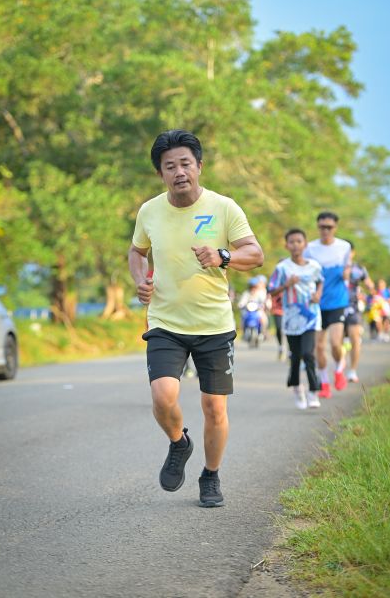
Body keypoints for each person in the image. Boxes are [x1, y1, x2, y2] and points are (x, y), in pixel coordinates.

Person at [128, 129, 264, 507]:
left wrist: (222, 256)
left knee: (214, 408)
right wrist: (140, 280)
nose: (179, 172)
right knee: (162, 396)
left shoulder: (224, 207)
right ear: (160, 173)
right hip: (165, 322)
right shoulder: (149, 211)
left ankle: (211, 475)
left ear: (199, 166)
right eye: (170, 166)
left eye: (185, 164)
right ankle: (179, 443)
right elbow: (137, 252)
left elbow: (255, 254)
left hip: (214, 325)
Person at [268, 228, 323, 409]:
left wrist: (318, 295)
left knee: (308, 353)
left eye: (299, 241)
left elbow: (320, 281)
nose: (295, 245)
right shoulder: (282, 268)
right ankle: (297, 388)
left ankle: (314, 390)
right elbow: (271, 290)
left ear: (305, 244)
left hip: (311, 316)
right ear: (286, 245)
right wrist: (287, 285)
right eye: (291, 242)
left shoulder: (314, 266)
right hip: (291, 318)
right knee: (296, 356)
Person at [304, 212, 351, 399]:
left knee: (335, 344)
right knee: (319, 347)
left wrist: (347, 272)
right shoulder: (310, 248)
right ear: (318, 227)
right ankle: (324, 383)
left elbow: (347, 267)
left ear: (335, 228)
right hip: (317, 304)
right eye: (322, 227)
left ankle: (339, 369)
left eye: (329, 227)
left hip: (338, 301)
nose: (325, 230)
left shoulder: (344, 247)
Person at [343, 241, 374, 382]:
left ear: (353, 252)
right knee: (336, 342)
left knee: (355, 338)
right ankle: (340, 365)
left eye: (348, 251)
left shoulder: (359, 269)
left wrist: (369, 287)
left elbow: (369, 284)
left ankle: (352, 371)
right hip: (336, 307)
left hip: (353, 308)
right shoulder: (334, 267)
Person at [238, 275, 269, 340]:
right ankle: (243, 331)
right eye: (252, 286)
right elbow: (242, 301)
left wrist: (264, 304)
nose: (253, 288)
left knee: (263, 318)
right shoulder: (246, 293)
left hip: (257, 310)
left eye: (254, 286)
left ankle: (263, 332)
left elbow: (263, 301)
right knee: (243, 318)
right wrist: (241, 305)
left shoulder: (259, 293)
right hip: (248, 311)